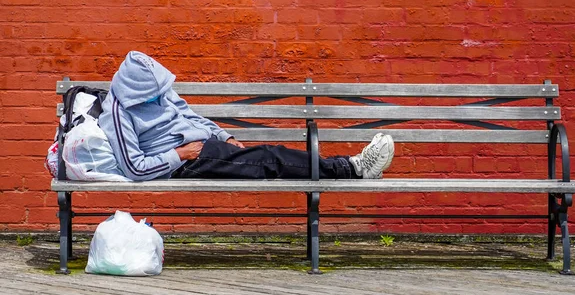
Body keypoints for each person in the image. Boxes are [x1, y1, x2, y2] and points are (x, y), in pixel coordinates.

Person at [98, 51, 395, 181]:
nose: (163, 94)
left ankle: (348, 168)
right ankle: (351, 169)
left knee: (267, 158)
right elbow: (134, 169)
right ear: (137, 89)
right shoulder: (118, 111)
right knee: (270, 159)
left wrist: (223, 135)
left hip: (205, 148)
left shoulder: (159, 90)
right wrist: (180, 154)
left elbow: (191, 117)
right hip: (185, 163)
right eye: (156, 91)